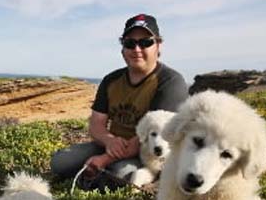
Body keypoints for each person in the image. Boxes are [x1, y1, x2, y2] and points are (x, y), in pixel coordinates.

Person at [50, 13, 188, 188]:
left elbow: (150, 137)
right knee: (59, 162)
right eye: (130, 43)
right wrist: (109, 141)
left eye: (145, 42)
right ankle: (97, 177)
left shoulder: (170, 82)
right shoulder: (111, 80)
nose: (137, 49)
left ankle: (96, 177)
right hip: (111, 145)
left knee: (121, 174)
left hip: (147, 152)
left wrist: (104, 159)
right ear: (122, 48)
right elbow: (96, 124)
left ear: (158, 45)